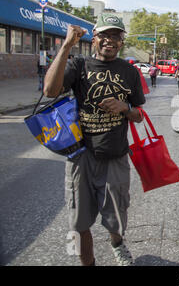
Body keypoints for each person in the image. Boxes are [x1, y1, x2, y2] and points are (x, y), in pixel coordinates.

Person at [43, 14, 145, 266]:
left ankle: (117, 243)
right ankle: (87, 263)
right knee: (78, 222)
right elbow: (49, 91)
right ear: (94, 37)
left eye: (116, 36)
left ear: (121, 42)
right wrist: (66, 46)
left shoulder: (130, 71)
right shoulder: (78, 65)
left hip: (115, 155)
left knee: (116, 217)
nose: (110, 41)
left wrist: (124, 108)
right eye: (104, 35)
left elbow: (139, 116)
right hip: (80, 156)